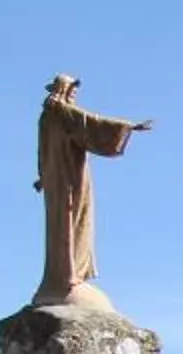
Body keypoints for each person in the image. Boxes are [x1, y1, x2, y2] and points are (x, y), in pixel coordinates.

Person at [35, 75, 153, 307]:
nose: (74, 95)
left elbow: (42, 150)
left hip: (56, 178)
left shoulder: (47, 117)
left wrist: (42, 175)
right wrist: (129, 126)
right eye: (72, 90)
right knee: (73, 221)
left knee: (62, 223)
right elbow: (91, 124)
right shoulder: (63, 113)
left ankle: (61, 277)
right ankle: (69, 276)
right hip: (71, 178)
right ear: (63, 89)